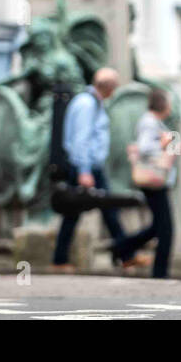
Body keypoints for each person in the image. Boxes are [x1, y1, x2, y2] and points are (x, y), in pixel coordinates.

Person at [114, 88, 181, 278]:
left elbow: (170, 152)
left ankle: (122, 246)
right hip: (153, 180)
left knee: (158, 227)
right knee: (166, 229)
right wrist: (167, 143)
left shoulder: (155, 123)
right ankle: (159, 271)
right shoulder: (150, 122)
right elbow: (145, 148)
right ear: (163, 104)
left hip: (157, 179)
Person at [52, 67, 127, 270]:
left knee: (88, 212)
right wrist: (84, 171)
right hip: (85, 168)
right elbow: (81, 140)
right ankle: (126, 254)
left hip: (89, 166)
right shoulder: (87, 105)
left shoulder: (91, 103)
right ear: (110, 88)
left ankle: (125, 253)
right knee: (83, 212)